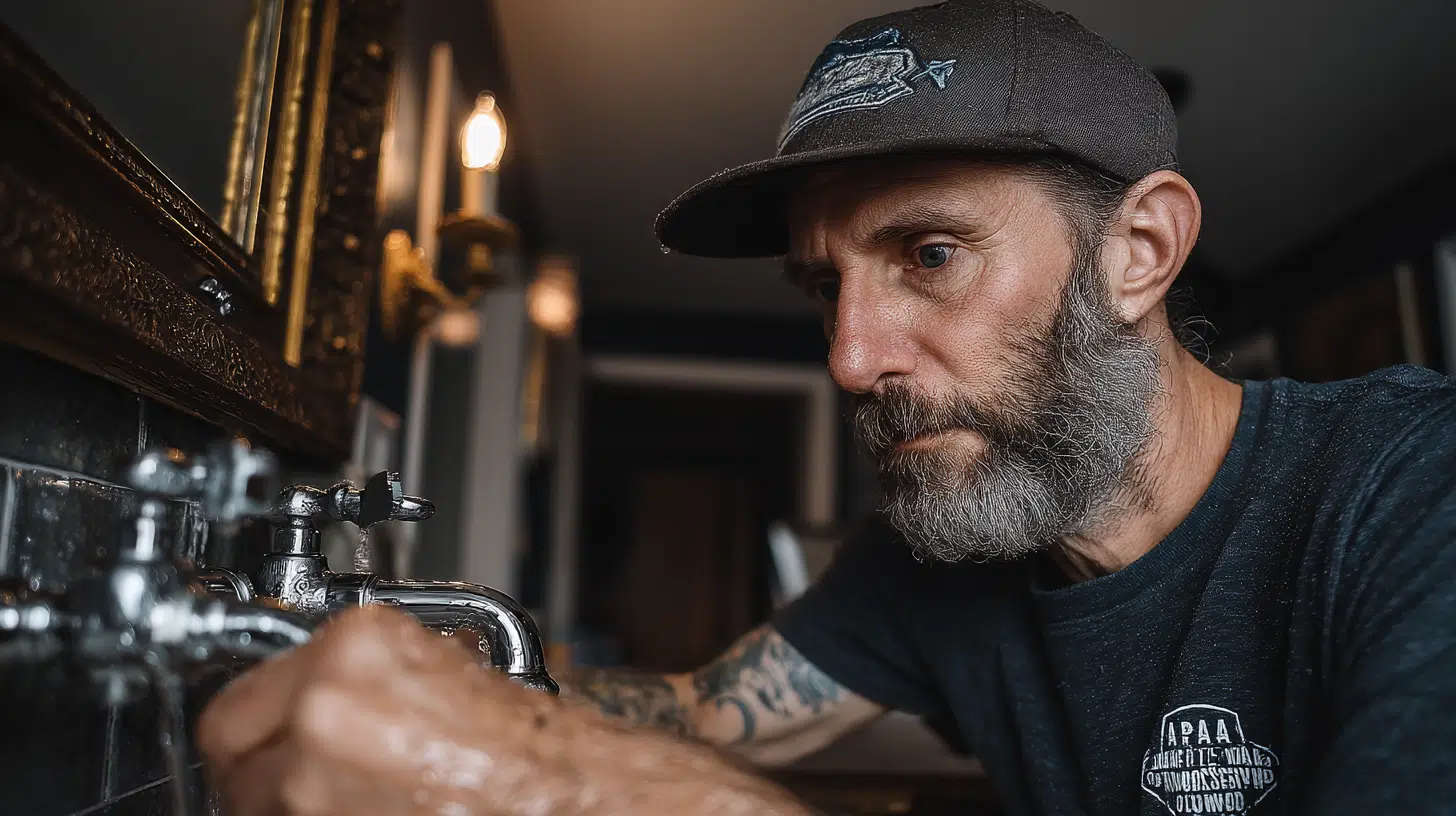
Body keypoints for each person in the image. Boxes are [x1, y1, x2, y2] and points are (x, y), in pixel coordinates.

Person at [199, 0, 1456, 813]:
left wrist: (576, 789)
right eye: (822, 287)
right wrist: (420, 680)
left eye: (929, 254)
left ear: (1141, 251)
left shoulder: (1413, 490)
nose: (851, 358)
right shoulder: (942, 556)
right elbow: (703, 709)